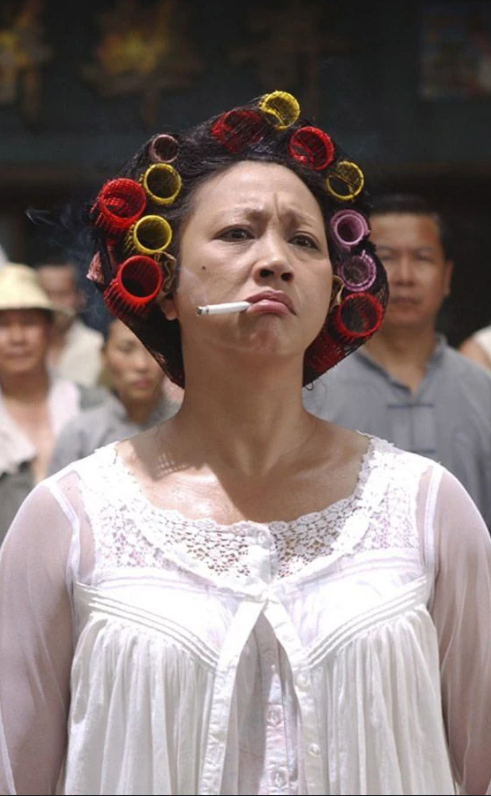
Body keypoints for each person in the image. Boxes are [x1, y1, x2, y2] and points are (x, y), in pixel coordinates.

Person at [1, 92, 491, 796]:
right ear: (164, 284)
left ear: (334, 288)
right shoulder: (68, 521)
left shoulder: (427, 509)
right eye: (237, 233)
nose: (275, 260)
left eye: (304, 241)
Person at [303, 192, 491, 530]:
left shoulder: (483, 389)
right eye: (387, 257)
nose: (405, 276)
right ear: (357, 273)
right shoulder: (313, 390)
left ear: (447, 277)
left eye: (422, 258)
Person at [0, 263, 105, 543]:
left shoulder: (93, 405)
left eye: (28, 323)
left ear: (49, 331)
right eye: (3, 325)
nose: (17, 338)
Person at [48, 315, 182, 473]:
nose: (141, 364)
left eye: (154, 350)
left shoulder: (189, 425)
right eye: (126, 349)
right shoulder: (81, 433)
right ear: (103, 355)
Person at [35, 256, 104, 386]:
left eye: (63, 294)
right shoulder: (20, 348)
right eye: (47, 294)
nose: (54, 303)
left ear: (80, 297)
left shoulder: (98, 348)